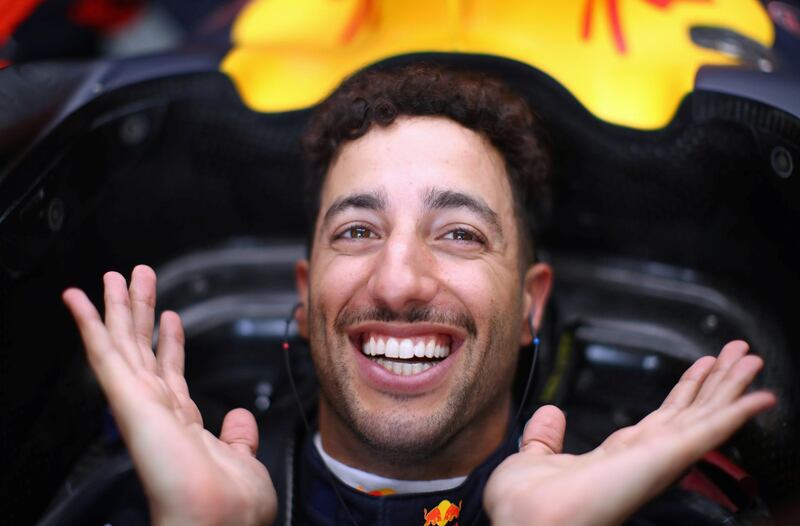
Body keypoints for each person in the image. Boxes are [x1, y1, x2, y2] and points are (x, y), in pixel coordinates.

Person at [61, 63, 776, 525]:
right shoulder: (149, 503)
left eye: (460, 234)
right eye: (357, 231)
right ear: (306, 301)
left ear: (532, 305)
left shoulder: (652, 513)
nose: (398, 282)